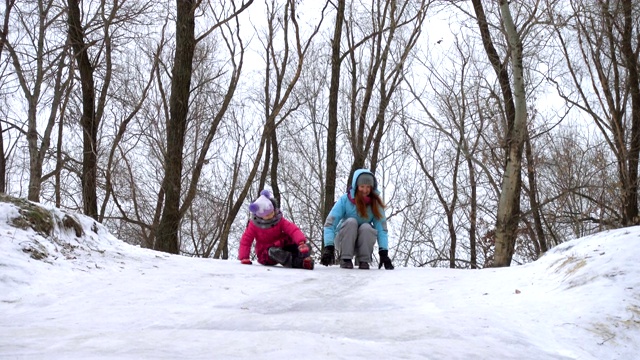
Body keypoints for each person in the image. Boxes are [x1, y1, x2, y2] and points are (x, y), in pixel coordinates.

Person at [320, 169, 394, 270]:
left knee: (367, 227)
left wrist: (383, 252)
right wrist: (328, 247)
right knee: (351, 222)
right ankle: (346, 259)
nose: (365, 190)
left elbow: (382, 228)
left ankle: (364, 260)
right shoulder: (345, 199)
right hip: (345, 237)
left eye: (368, 187)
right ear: (356, 186)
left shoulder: (375, 203)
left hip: (364, 240)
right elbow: (330, 223)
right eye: (362, 186)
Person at [238, 190, 314, 270]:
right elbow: (246, 240)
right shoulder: (254, 225)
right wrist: (244, 257)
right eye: (267, 215)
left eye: (272, 212)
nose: (271, 215)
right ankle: (300, 263)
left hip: (281, 245)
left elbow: (292, 229)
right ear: (260, 215)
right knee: (274, 252)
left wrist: (300, 242)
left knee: (301, 246)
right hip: (267, 253)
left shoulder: (279, 220)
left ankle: (304, 257)